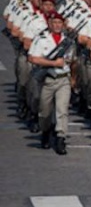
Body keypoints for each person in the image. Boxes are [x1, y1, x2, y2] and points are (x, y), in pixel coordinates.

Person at [27, 12, 77, 155]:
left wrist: (73, 79)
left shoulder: (68, 42)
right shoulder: (41, 40)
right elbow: (33, 58)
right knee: (45, 112)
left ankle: (61, 138)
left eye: (59, 23)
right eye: (54, 23)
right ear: (49, 24)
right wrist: (53, 63)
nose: (57, 25)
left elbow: (72, 61)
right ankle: (45, 131)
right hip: (47, 80)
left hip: (63, 79)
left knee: (62, 110)